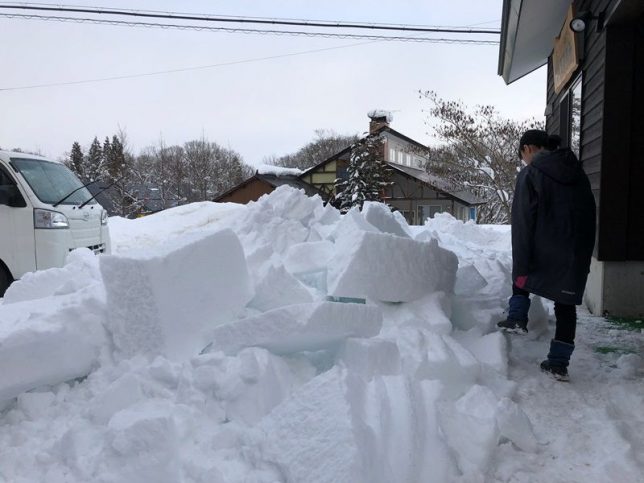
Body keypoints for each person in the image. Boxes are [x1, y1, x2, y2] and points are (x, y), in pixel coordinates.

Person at [497, 129, 596, 380]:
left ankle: (517, 317)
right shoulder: (578, 173)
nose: (523, 160)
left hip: (543, 247)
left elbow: (523, 222)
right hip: (575, 250)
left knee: (523, 274)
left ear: (528, 148)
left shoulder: (531, 173)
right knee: (566, 304)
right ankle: (559, 363)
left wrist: (521, 260)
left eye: (522, 155)